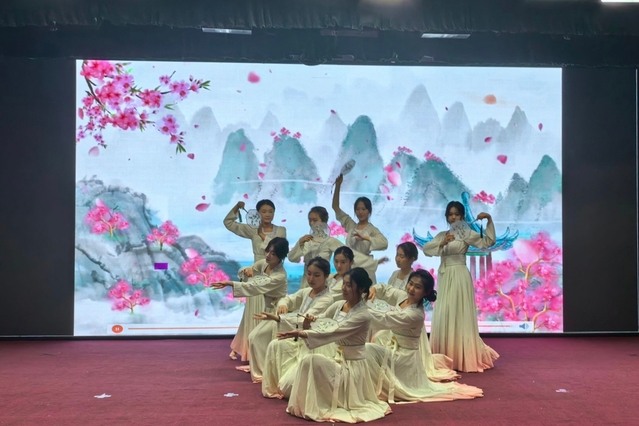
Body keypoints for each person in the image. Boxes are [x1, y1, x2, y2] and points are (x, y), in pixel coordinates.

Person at [278, 268, 391, 423]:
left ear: (361, 289)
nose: (344, 288)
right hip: (336, 358)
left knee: (310, 361)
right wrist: (310, 321)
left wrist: (303, 333)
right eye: (344, 284)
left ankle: (311, 405)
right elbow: (322, 320)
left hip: (351, 367)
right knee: (307, 362)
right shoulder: (339, 305)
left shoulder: (363, 315)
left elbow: (335, 331)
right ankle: (306, 404)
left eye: (349, 285)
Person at [366, 269, 483, 403]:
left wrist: (359, 313)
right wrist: (374, 289)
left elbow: (385, 319)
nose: (411, 289)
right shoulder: (403, 296)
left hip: (404, 359)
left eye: (417, 287)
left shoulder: (415, 314)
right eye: (410, 283)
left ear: (425, 292)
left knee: (368, 349)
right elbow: (386, 290)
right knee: (372, 345)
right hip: (394, 350)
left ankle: (370, 389)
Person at [422, 201, 499, 373]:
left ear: (462, 216)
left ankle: (463, 357)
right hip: (445, 276)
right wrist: (442, 242)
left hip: (459, 275)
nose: (453, 217)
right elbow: (427, 249)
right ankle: (444, 355)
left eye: (456, 214)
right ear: (446, 217)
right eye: (450, 214)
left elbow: (487, 241)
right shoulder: (442, 235)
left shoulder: (466, 233)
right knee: (444, 313)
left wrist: (488, 220)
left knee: (459, 312)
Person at [261, 257, 335, 397]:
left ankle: (287, 386)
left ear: (326, 276)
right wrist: (283, 305)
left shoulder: (327, 298)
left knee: (290, 384)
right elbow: (287, 298)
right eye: (309, 273)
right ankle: (274, 387)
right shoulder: (307, 291)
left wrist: (279, 318)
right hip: (299, 336)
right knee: (274, 345)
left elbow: (304, 319)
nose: (311, 278)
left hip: (314, 342)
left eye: (317, 275)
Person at [223, 199, 286, 361]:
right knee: (252, 313)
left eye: (270, 211)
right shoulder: (252, 229)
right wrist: (237, 208)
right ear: (257, 214)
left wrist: (261, 235)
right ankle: (248, 348)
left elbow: (279, 249)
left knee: (266, 311)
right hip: (255, 271)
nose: (267, 214)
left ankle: (265, 351)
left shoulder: (280, 230)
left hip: (272, 273)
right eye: (263, 211)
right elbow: (228, 223)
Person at [212, 236, 288, 369]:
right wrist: (248, 269)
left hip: (278, 311)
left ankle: (264, 370)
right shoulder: (264, 264)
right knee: (259, 339)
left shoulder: (279, 276)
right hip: (268, 309)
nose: (268, 255)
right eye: (268, 251)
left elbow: (255, 285)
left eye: (273, 253)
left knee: (257, 338)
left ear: (280, 257)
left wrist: (230, 283)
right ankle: (261, 368)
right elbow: (249, 270)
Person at [332, 174, 388, 283]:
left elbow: (384, 243)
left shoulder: (372, 230)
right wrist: (338, 186)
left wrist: (366, 238)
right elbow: (335, 207)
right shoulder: (351, 225)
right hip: (350, 267)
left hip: (365, 268)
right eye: (358, 209)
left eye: (363, 209)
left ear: (369, 211)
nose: (360, 212)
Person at [287, 207, 343, 289]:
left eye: (315, 220)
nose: (312, 223)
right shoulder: (306, 240)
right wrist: (300, 244)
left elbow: (348, 255)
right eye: (310, 220)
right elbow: (292, 258)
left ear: (324, 221)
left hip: (322, 283)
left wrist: (340, 274)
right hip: (306, 283)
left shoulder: (330, 241)